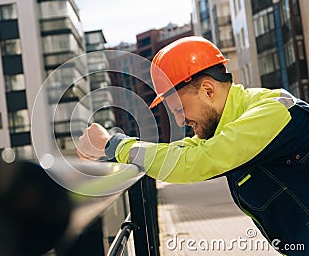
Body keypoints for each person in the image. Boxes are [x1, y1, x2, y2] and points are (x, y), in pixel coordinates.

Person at [77, 36, 309, 255]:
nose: (179, 121)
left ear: (208, 90)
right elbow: (183, 151)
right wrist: (110, 152)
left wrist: (113, 145)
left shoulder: (273, 112)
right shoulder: (230, 127)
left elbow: (195, 162)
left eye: (179, 109)